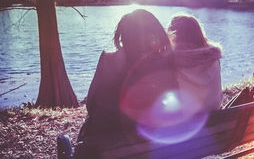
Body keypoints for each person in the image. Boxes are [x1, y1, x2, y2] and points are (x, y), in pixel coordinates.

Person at [78, 9, 177, 143]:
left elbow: (91, 103)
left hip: (103, 138)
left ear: (123, 35)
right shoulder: (164, 63)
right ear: (155, 34)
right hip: (147, 141)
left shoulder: (108, 60)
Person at [167, 14, 223, 114]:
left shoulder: (173, 64)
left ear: (174, 36)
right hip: (217, 119)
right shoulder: (214, 60)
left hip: (187, 126)